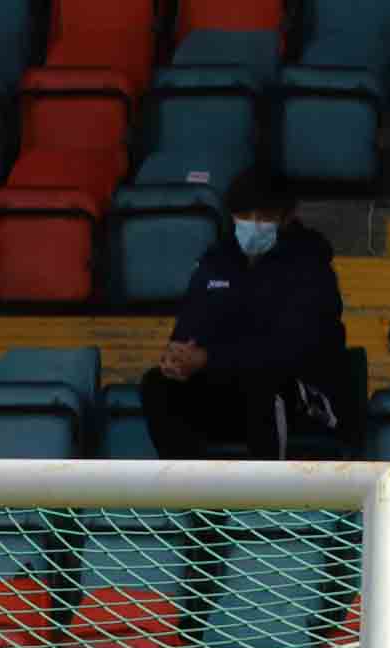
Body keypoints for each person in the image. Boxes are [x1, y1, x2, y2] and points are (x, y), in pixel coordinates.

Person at [144, 170, 354, 462]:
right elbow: (190, 328)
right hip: (230, 388)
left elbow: (292, 350)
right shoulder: (215, 263)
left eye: (265, 216)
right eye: (245, 214)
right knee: (158, 385)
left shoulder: (311, 270)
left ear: (288, 216)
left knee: (263, 384)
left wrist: (209, 359)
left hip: (301, 394)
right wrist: (177, 356)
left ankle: (265, 502)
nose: (254, 224)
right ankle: (196, 499)